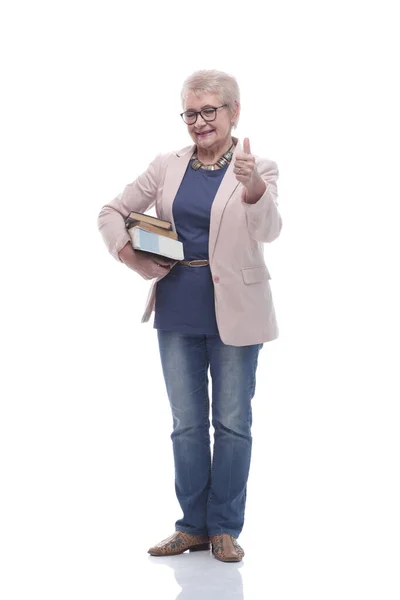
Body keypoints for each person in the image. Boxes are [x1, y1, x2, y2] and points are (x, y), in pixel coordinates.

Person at [97, 69, 282, 562]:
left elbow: (269, 231)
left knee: (233, 421)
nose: (199, 122)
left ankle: (224, 528)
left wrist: (254, 189)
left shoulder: (258, 167)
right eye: (190, 112)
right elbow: (111, 211)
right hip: (178, 305)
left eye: (209, 111)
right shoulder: (166, 166)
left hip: (236, 311)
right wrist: (130, 257)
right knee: (186, 423)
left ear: (233, 113)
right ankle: (191, 527)